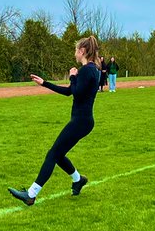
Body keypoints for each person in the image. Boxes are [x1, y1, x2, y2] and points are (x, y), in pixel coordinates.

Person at [8, 35, 101, 206]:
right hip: (84, 121)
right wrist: (44, 83)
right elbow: (69, 92)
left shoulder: (87, 70)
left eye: (76, 50)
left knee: (52, 154)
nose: (74, 54)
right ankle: (78, 179)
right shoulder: (93, 69)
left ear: (82, 51)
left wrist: (73, 76)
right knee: (58, 154)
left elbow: (77, 93)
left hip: (81, 121)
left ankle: (31, 194)